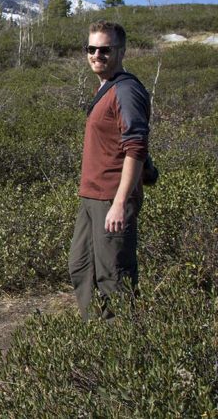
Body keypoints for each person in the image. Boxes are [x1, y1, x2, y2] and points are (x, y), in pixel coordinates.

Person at [69, 20, 150, 319]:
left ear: (121, 51)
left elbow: (136, 148)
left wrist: (119, 203)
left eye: (105, 49)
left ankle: (127, 348)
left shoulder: (126, 91)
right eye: (91, 49)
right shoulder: (106, 87)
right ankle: (99, 340)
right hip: (92, 197)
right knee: (81, 267)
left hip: (111, 198)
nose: (96, 55)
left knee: (114, 277)